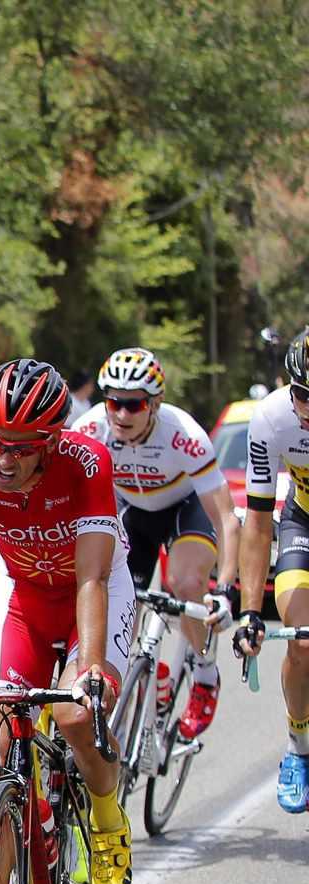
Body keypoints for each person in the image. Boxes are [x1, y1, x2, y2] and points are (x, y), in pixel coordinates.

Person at [0, 357, 135, 884]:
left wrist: (88, 668)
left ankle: (107, 815)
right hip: (25, 598)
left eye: (20, 448)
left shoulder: (86, 463)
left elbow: (92, 576)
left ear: (50, 442)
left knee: (74, 714)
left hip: (93, 594)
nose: (2, 457)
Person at [70, 348, 236, 737]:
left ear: (155, 404)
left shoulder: (184, 435)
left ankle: (205, 673)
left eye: (134, 404)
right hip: (133, 513)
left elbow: (226, 518)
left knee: (185, 583)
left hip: (183, 509)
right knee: (117, 602)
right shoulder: (91, 429)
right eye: (114, 402)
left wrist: (227, 589)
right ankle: (135, 684)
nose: (122, 415)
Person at [232, 326, 309, 811]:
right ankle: (299, 748)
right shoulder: (273, 419)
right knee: (302, 639)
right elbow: (258, 522)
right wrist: (250, 611)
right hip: (303, 521)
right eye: (302, 394)